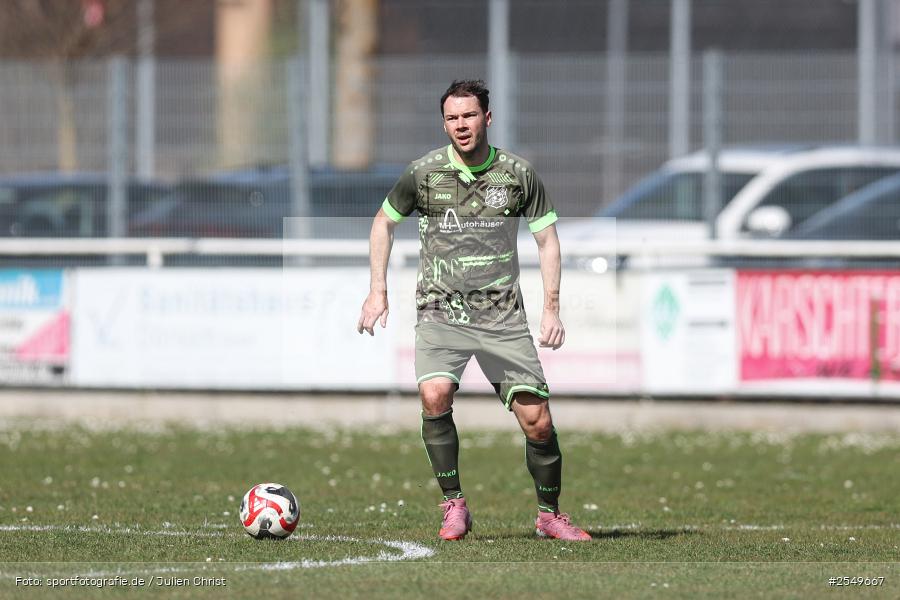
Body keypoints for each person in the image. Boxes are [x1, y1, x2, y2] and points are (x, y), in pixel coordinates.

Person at [357, 79, 590, 542]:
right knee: (434, 395)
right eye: (451, 118)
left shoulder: (518, 174)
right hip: (440, 311)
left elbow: (547, 240)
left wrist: (552, 310)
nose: (460, 125)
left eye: (468, 116)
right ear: (443, 123)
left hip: (501, 316)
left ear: (488, 117)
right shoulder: (423, 174)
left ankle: (549, 515)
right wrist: (376, 291)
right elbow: (383, 222)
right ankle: (453, 505)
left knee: (537, 420)